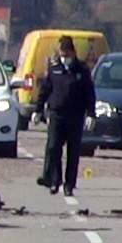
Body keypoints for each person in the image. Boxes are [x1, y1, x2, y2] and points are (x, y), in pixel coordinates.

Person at [33, 35, 96, 196]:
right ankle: (54, 180)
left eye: (66, 55)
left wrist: (91, 114)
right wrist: (38, 110)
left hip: (75, 116)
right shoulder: (54, 68)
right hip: (56, 114)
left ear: (72, 53)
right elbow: (45, 90)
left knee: (73, 152)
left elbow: (89, 94)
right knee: (53, 147)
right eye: (61, 55)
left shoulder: (82, 70)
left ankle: (69, 184)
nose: (64, 58)